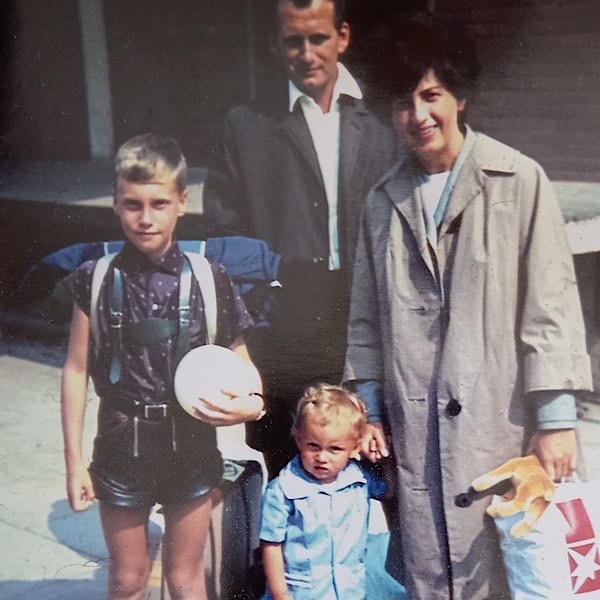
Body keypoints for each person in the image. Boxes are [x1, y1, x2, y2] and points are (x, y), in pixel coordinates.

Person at [344, 12, 593, 600]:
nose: (419, 115)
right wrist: (371, 411)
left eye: (432, 95)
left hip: (499, 426)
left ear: (460, 96)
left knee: (512, 570)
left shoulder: (520, 181)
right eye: (403, 102)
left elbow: (551, 309)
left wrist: (556, 422)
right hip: (413, 434)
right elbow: (363, 321)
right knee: (430, 570)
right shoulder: (381, 201)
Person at [61, 133, 265, 600]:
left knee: (185, 578)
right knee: (129, 579)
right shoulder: (95, 278)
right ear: (115, 201)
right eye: (133, 204)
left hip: (190, 445)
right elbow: (75, 371)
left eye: (158, 203)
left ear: (181, 202)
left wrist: (252, 405)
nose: (146, 218)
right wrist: (74, 464)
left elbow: (244, 365)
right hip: (119, 444)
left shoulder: (209, 279)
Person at [203, 0, 397, 479]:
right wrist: (244, 334)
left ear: (342, 37)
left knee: (373, 460)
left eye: (318, 38)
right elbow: (227, 236)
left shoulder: (384, 116)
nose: (306, 53)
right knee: (292, 467)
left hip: (367, 319)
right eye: (293, 41)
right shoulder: (246, 124)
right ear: (275, 45)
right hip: (285, 325)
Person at [260, 384, 374, 600]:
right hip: (303, 593)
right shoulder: (283, 490)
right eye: (313, 446)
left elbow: (394, 486)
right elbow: (271, 545)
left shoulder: (359, 481)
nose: (322, 457)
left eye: (335, 449)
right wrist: (280, 594)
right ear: (299, 439)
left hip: (350, 591)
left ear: (355, 447)